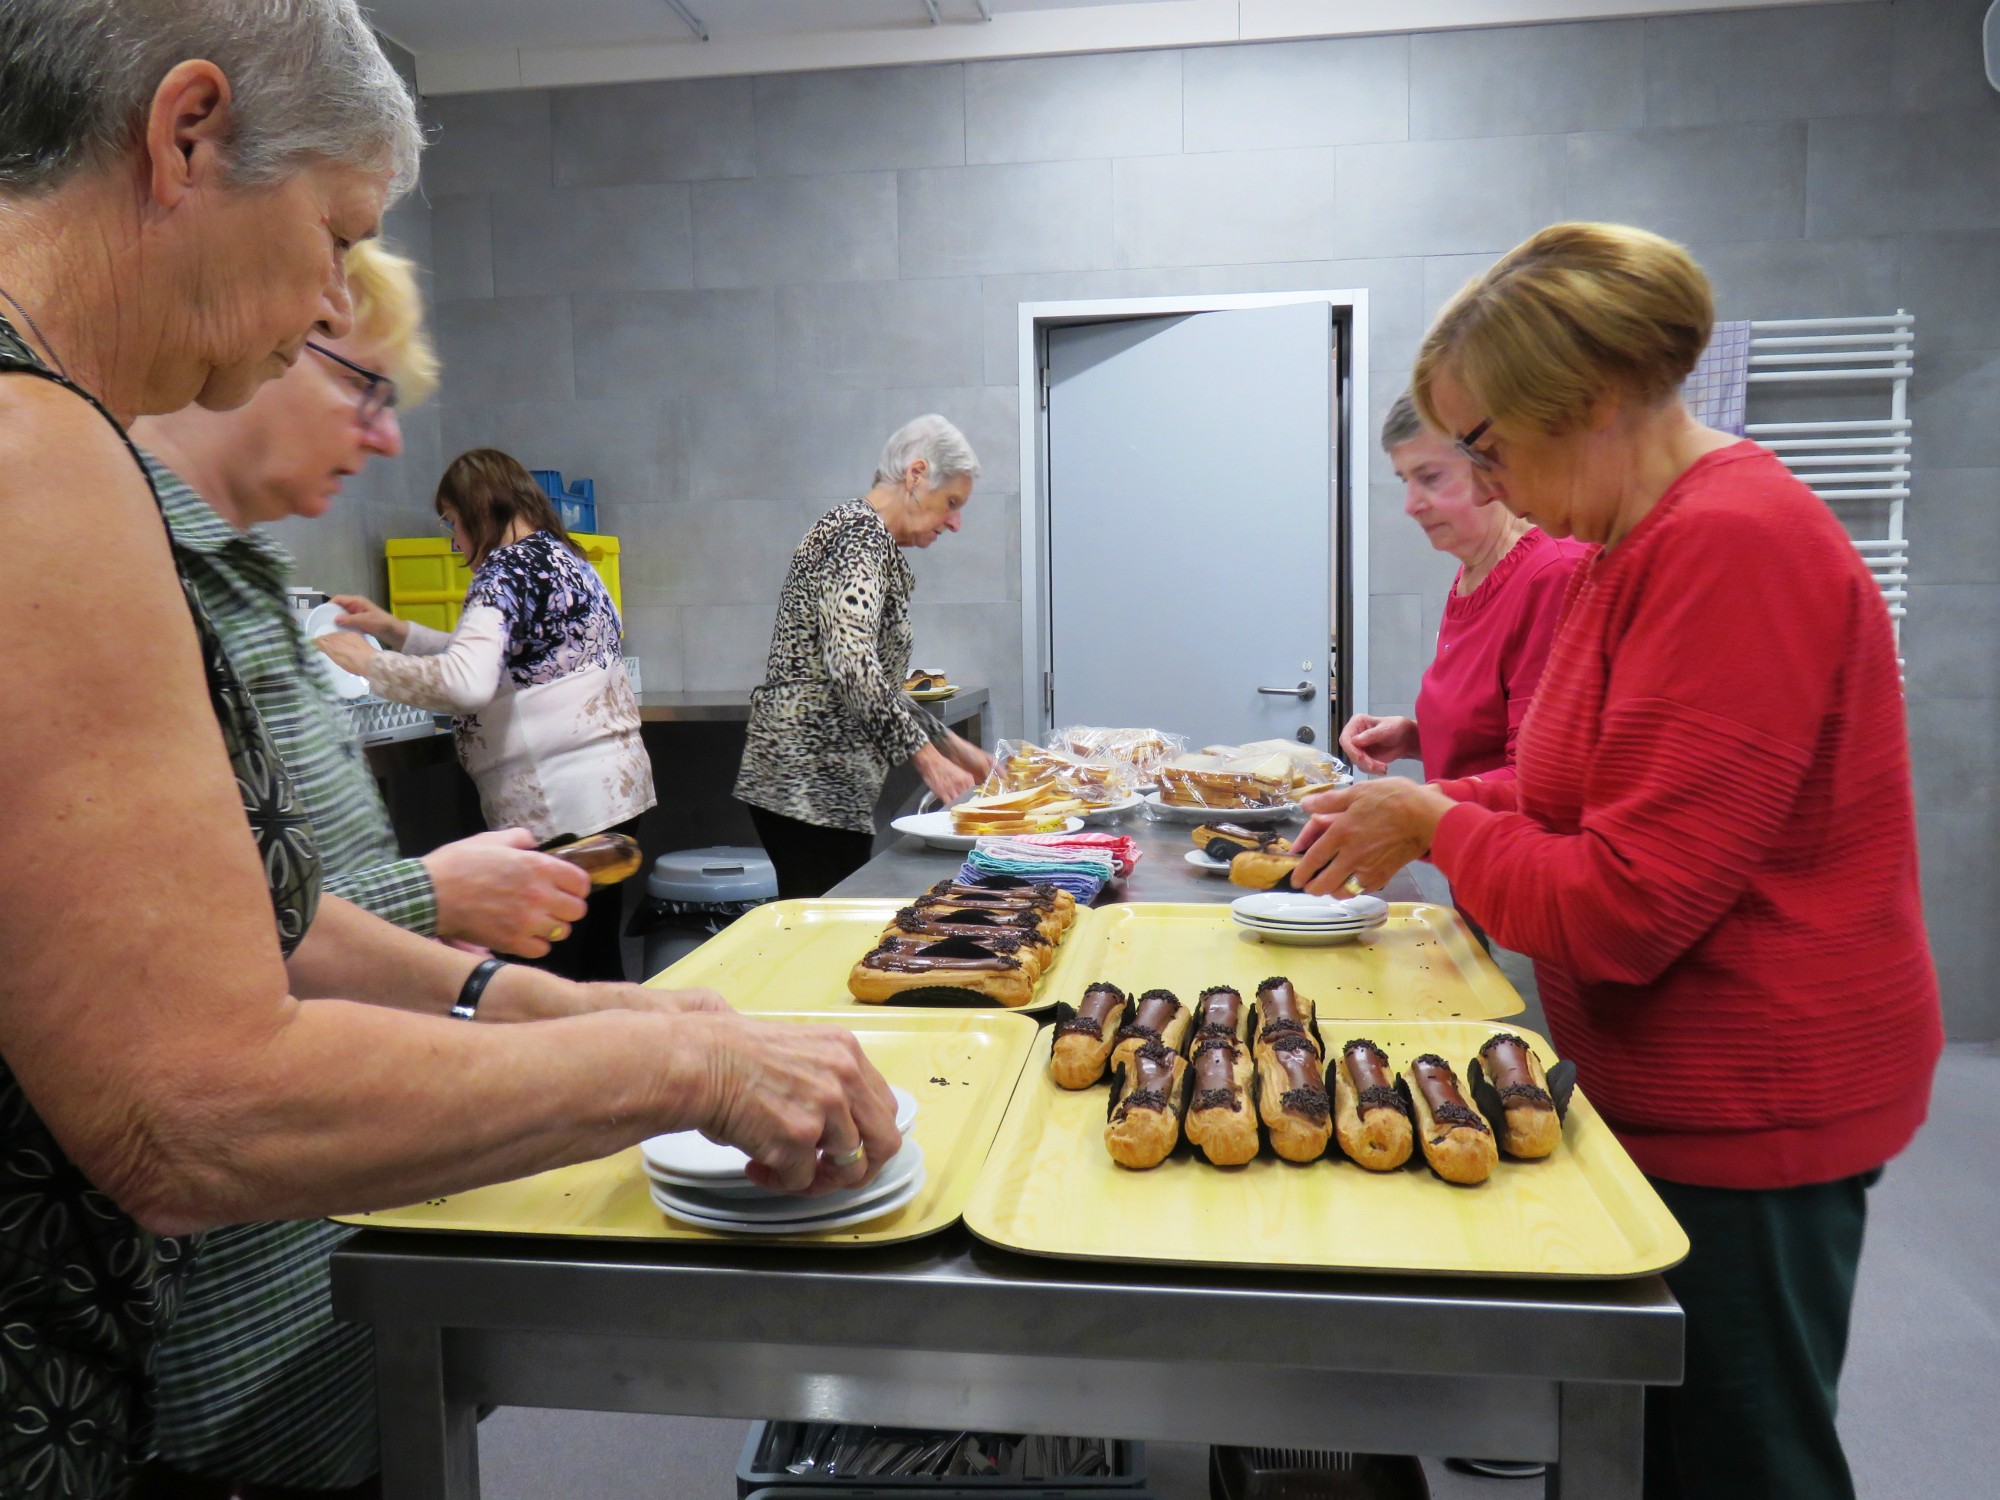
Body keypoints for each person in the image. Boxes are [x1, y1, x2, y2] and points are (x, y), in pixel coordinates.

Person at [0, 5, 895, 1492]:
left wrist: (585, 1020)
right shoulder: (37, 453)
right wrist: (687, 1080)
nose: (329, 296)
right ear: (187, 135)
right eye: (336, 234)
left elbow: (247, 934)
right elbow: (194, 1111)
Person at [1291, 222, 1943, 1500]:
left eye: (1484, 448)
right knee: (1641, 1446)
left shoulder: (1732, 542)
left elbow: (1628, 905)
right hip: (1667, 1079)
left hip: (1755, 1091)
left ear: (1586, 404)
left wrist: (1434, 827)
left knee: (1733, 1460)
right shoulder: (1622, 545)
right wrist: (1428, 803)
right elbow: (1560, 787)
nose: (1482, 480)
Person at [127, 242, 596, 1499]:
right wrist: (451, 917)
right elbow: (218, 938)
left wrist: (545, 1014)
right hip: (238, 1330)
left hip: (331, 1257)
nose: (388, 442)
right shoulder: (127, 572)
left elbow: (274, 896)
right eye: (364, 388)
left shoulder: (237, 573)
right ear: (257, 333)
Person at [322, 448, 656, 982]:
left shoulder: (506, 571)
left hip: (558, 804)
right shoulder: (565, 559)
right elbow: (494, 657)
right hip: (610, 796)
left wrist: (370, 663)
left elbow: (466, 682)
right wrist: (393, 629)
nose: (454, 541)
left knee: (549, 974)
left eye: (452, 522)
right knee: (595, 962)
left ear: (480, 510)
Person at [735, 415, 995, 898]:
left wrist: (951, 746)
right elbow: (851, 665)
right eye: (952, 503)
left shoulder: (870, 540)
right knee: (820, 934)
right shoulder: (856, 535)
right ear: (916, 475)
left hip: (827, 786)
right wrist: (928, 761)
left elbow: (873, 678)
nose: (956, 522)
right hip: (805, 781)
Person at [1339, 392, 1590, 790]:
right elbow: (1489, 732)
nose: (1410, 505)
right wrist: (1415, 738)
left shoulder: (1554, 575)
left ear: (1488, 465)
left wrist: (1409, 811)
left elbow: (1542, 783)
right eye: (1406, 481)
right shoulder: (1472, 573)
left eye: (1430, 477)